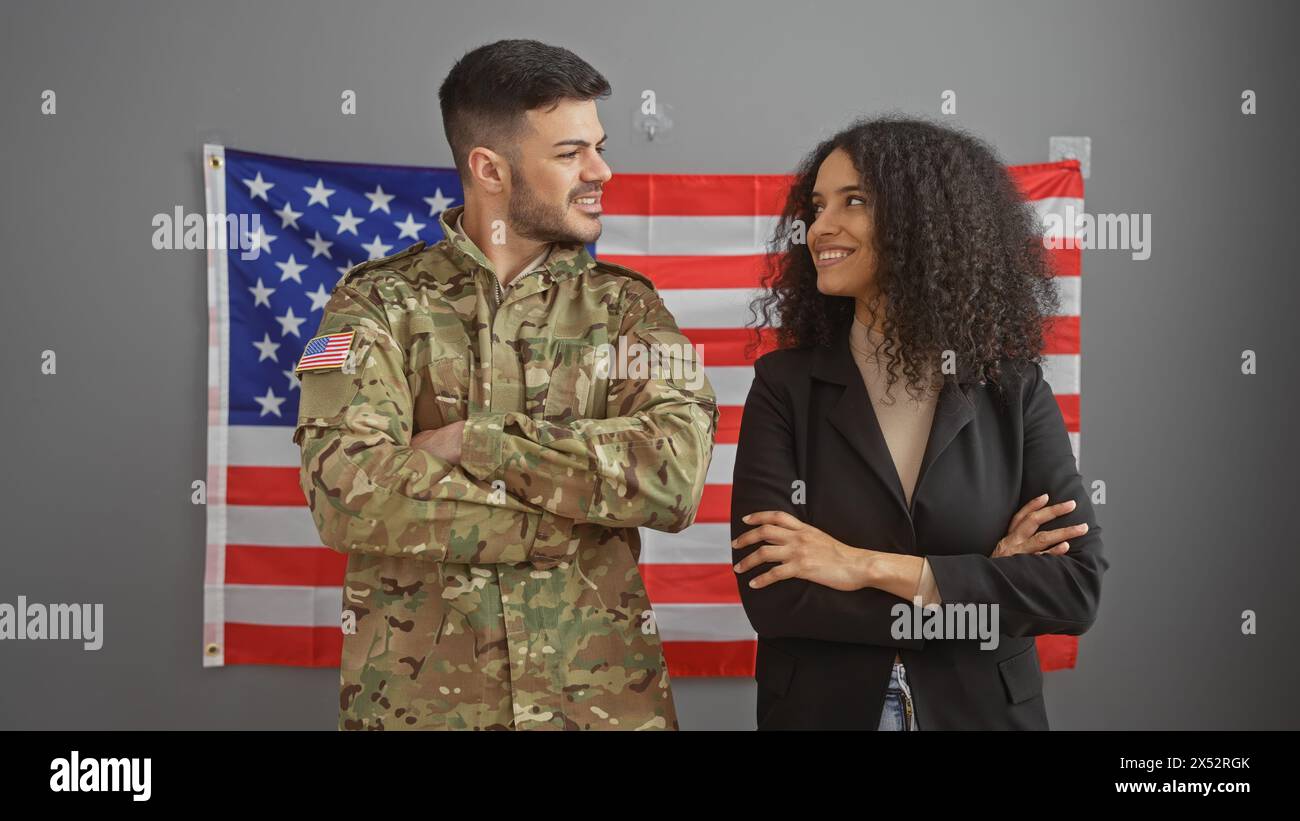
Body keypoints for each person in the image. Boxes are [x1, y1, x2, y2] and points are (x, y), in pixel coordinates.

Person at [293, 39, 718, 730]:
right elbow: (348, 491)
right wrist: (564, 523)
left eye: (599, 147)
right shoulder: (376, 304)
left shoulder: (627, 310)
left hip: (601, 710)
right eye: (569, 152)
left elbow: (674, 474)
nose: (601, 170)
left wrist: (476, 441)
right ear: (489, 168)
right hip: (420, 712)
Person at [730, 116, 1106, 730]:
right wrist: (980, 583)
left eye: (853, 201)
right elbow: (776, 598)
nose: (820, 225)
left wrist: (860, 566)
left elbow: (1073, 587)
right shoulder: (783, 386)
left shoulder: (1012, 388)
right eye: (817, 205)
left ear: (925, 222)